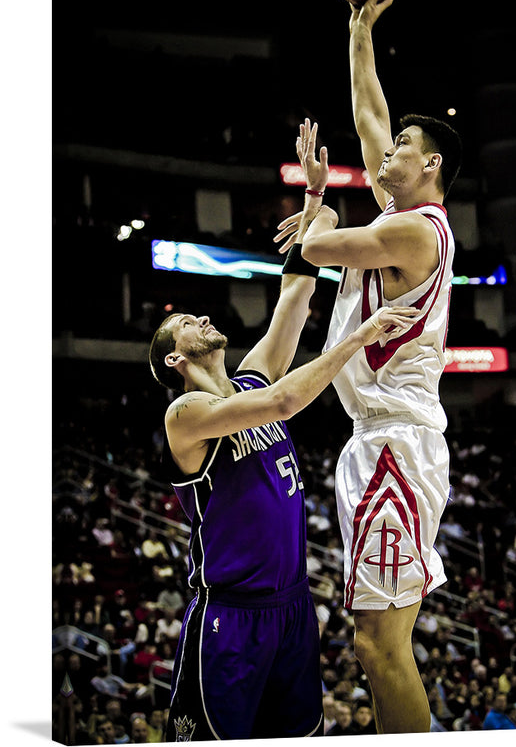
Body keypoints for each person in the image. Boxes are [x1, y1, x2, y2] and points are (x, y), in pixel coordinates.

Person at [148, 196, 419, 742]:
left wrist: (315, 204)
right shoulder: (186, 415)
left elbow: (295, 293)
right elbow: (283, 405)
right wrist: (359, 336)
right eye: (186, 324)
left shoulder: (252, 378)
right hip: (230, 619)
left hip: (292, 607)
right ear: (176, 360)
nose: (203, 318)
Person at [275, 0, 462, 736]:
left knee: (382, 649)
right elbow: (369, 112)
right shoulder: (401, 209)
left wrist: (317, 198)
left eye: (403, 151)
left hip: (398, 442)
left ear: (431, 165)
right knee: (370, 647)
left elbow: (315, 246)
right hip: (374, 438)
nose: (388, 154)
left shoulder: (417, 231)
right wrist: (359, 30)